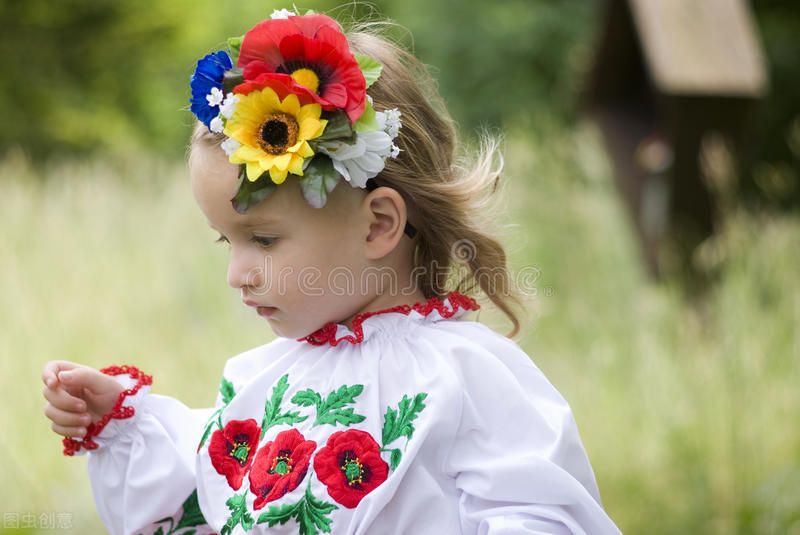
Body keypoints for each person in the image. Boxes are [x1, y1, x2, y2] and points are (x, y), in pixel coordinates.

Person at [41, 8, 622, 535]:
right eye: (228, 242)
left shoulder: (466, 375)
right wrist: (123, 423)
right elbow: (211, 498)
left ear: (377, 226)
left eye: (263, 239)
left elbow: (544, 515)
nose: (237, 274)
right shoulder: (266, 380)